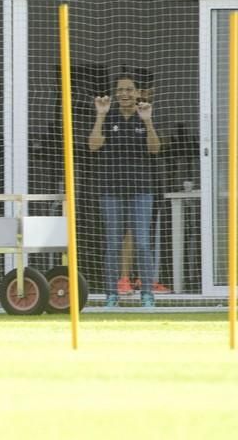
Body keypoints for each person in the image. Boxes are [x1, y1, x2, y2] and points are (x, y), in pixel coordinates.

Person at [88, 73, 161, 308]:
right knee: (112, 243)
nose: (125, 94)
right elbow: (93, 145)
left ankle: (147, 294)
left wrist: (148, 121)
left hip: (141, 189)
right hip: (111, 189)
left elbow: (155, 149)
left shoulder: (144, 115)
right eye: (120, 90)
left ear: (137, 93)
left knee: (142, 242)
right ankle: (111, 294)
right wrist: (100, 116)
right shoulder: (108, 116)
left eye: (129, 89)